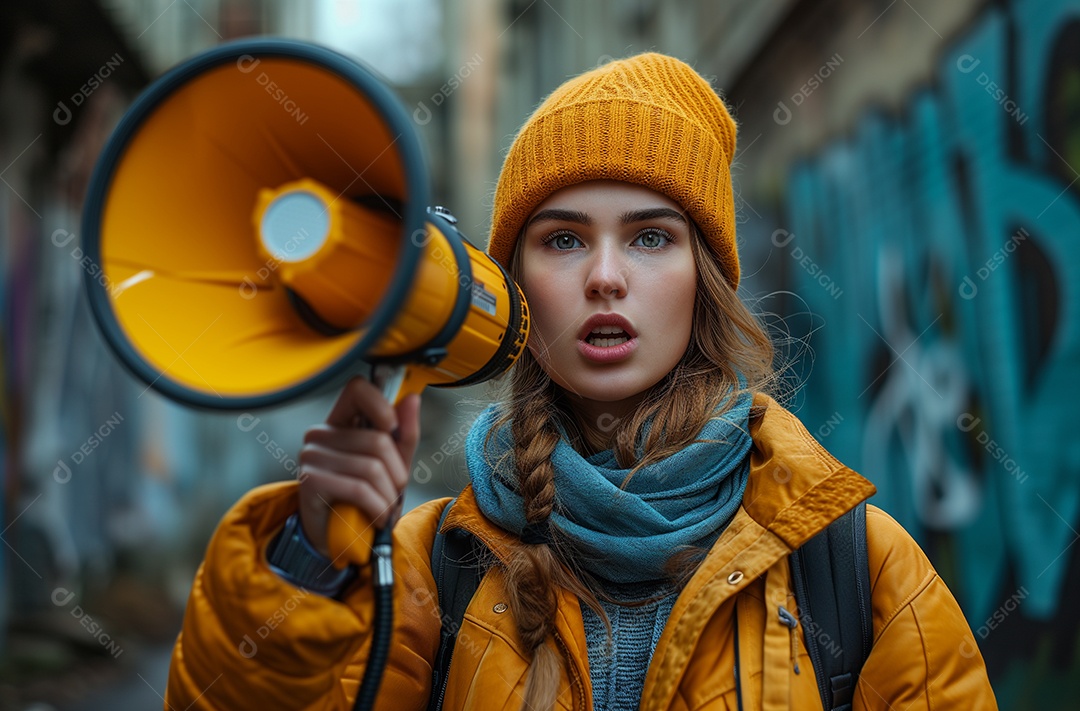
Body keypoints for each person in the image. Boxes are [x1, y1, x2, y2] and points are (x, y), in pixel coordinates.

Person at [165, 53, 997, 710]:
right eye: (563, 239)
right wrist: (311, 560)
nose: (605, 277)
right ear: (515, 280)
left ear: (705, 277)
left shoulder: (856, 568)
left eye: (651, 238)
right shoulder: (427, 567)